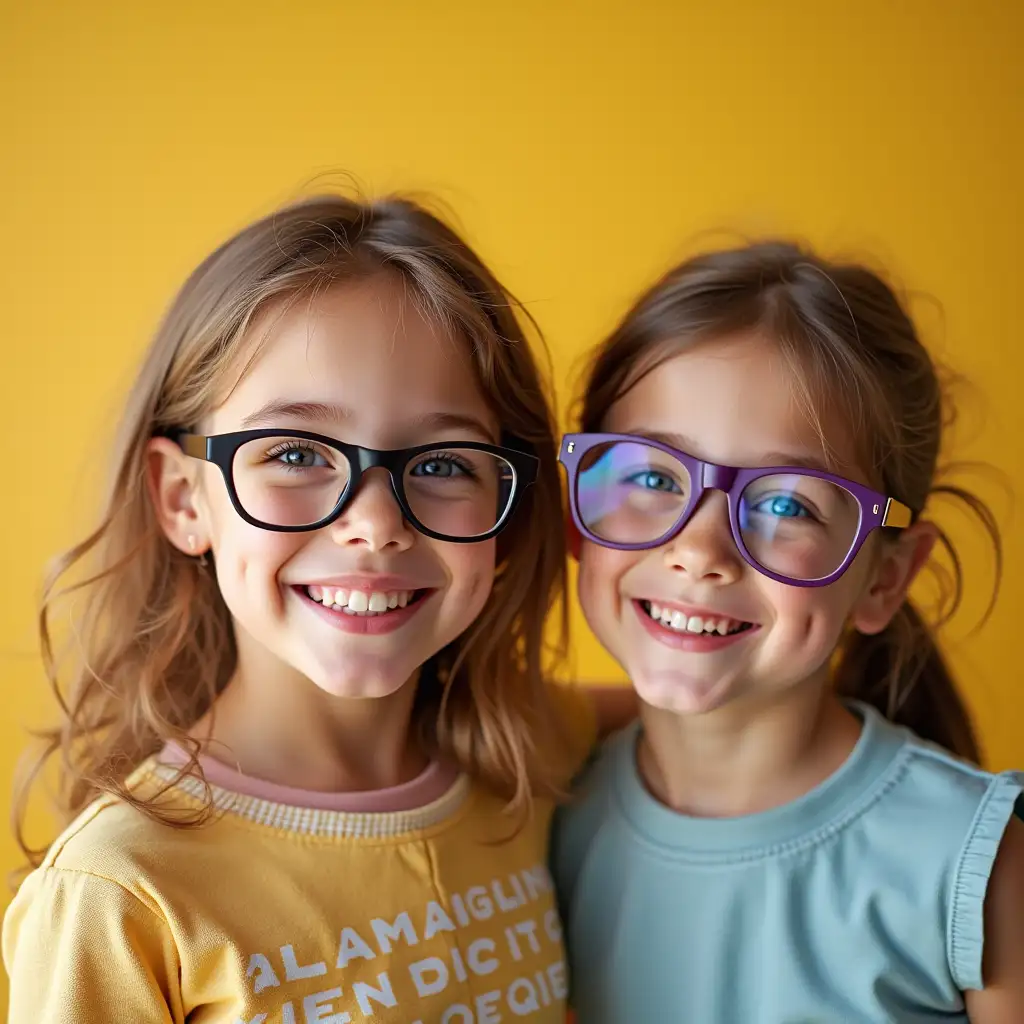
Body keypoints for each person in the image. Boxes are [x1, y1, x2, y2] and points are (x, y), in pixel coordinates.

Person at [4, 193, 623, 1022]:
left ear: (504, 512)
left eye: (443, 463)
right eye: (295, 452)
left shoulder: (525, 755)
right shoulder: (122, 895)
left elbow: (709, 720)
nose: (374, 524)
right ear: (185, 499)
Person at [552, 241, 1024, 1022]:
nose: (699, 551)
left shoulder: (977, 867)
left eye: (786, 505)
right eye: (650, 477)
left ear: (884, 577)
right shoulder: (548, 814)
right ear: (580, 511)